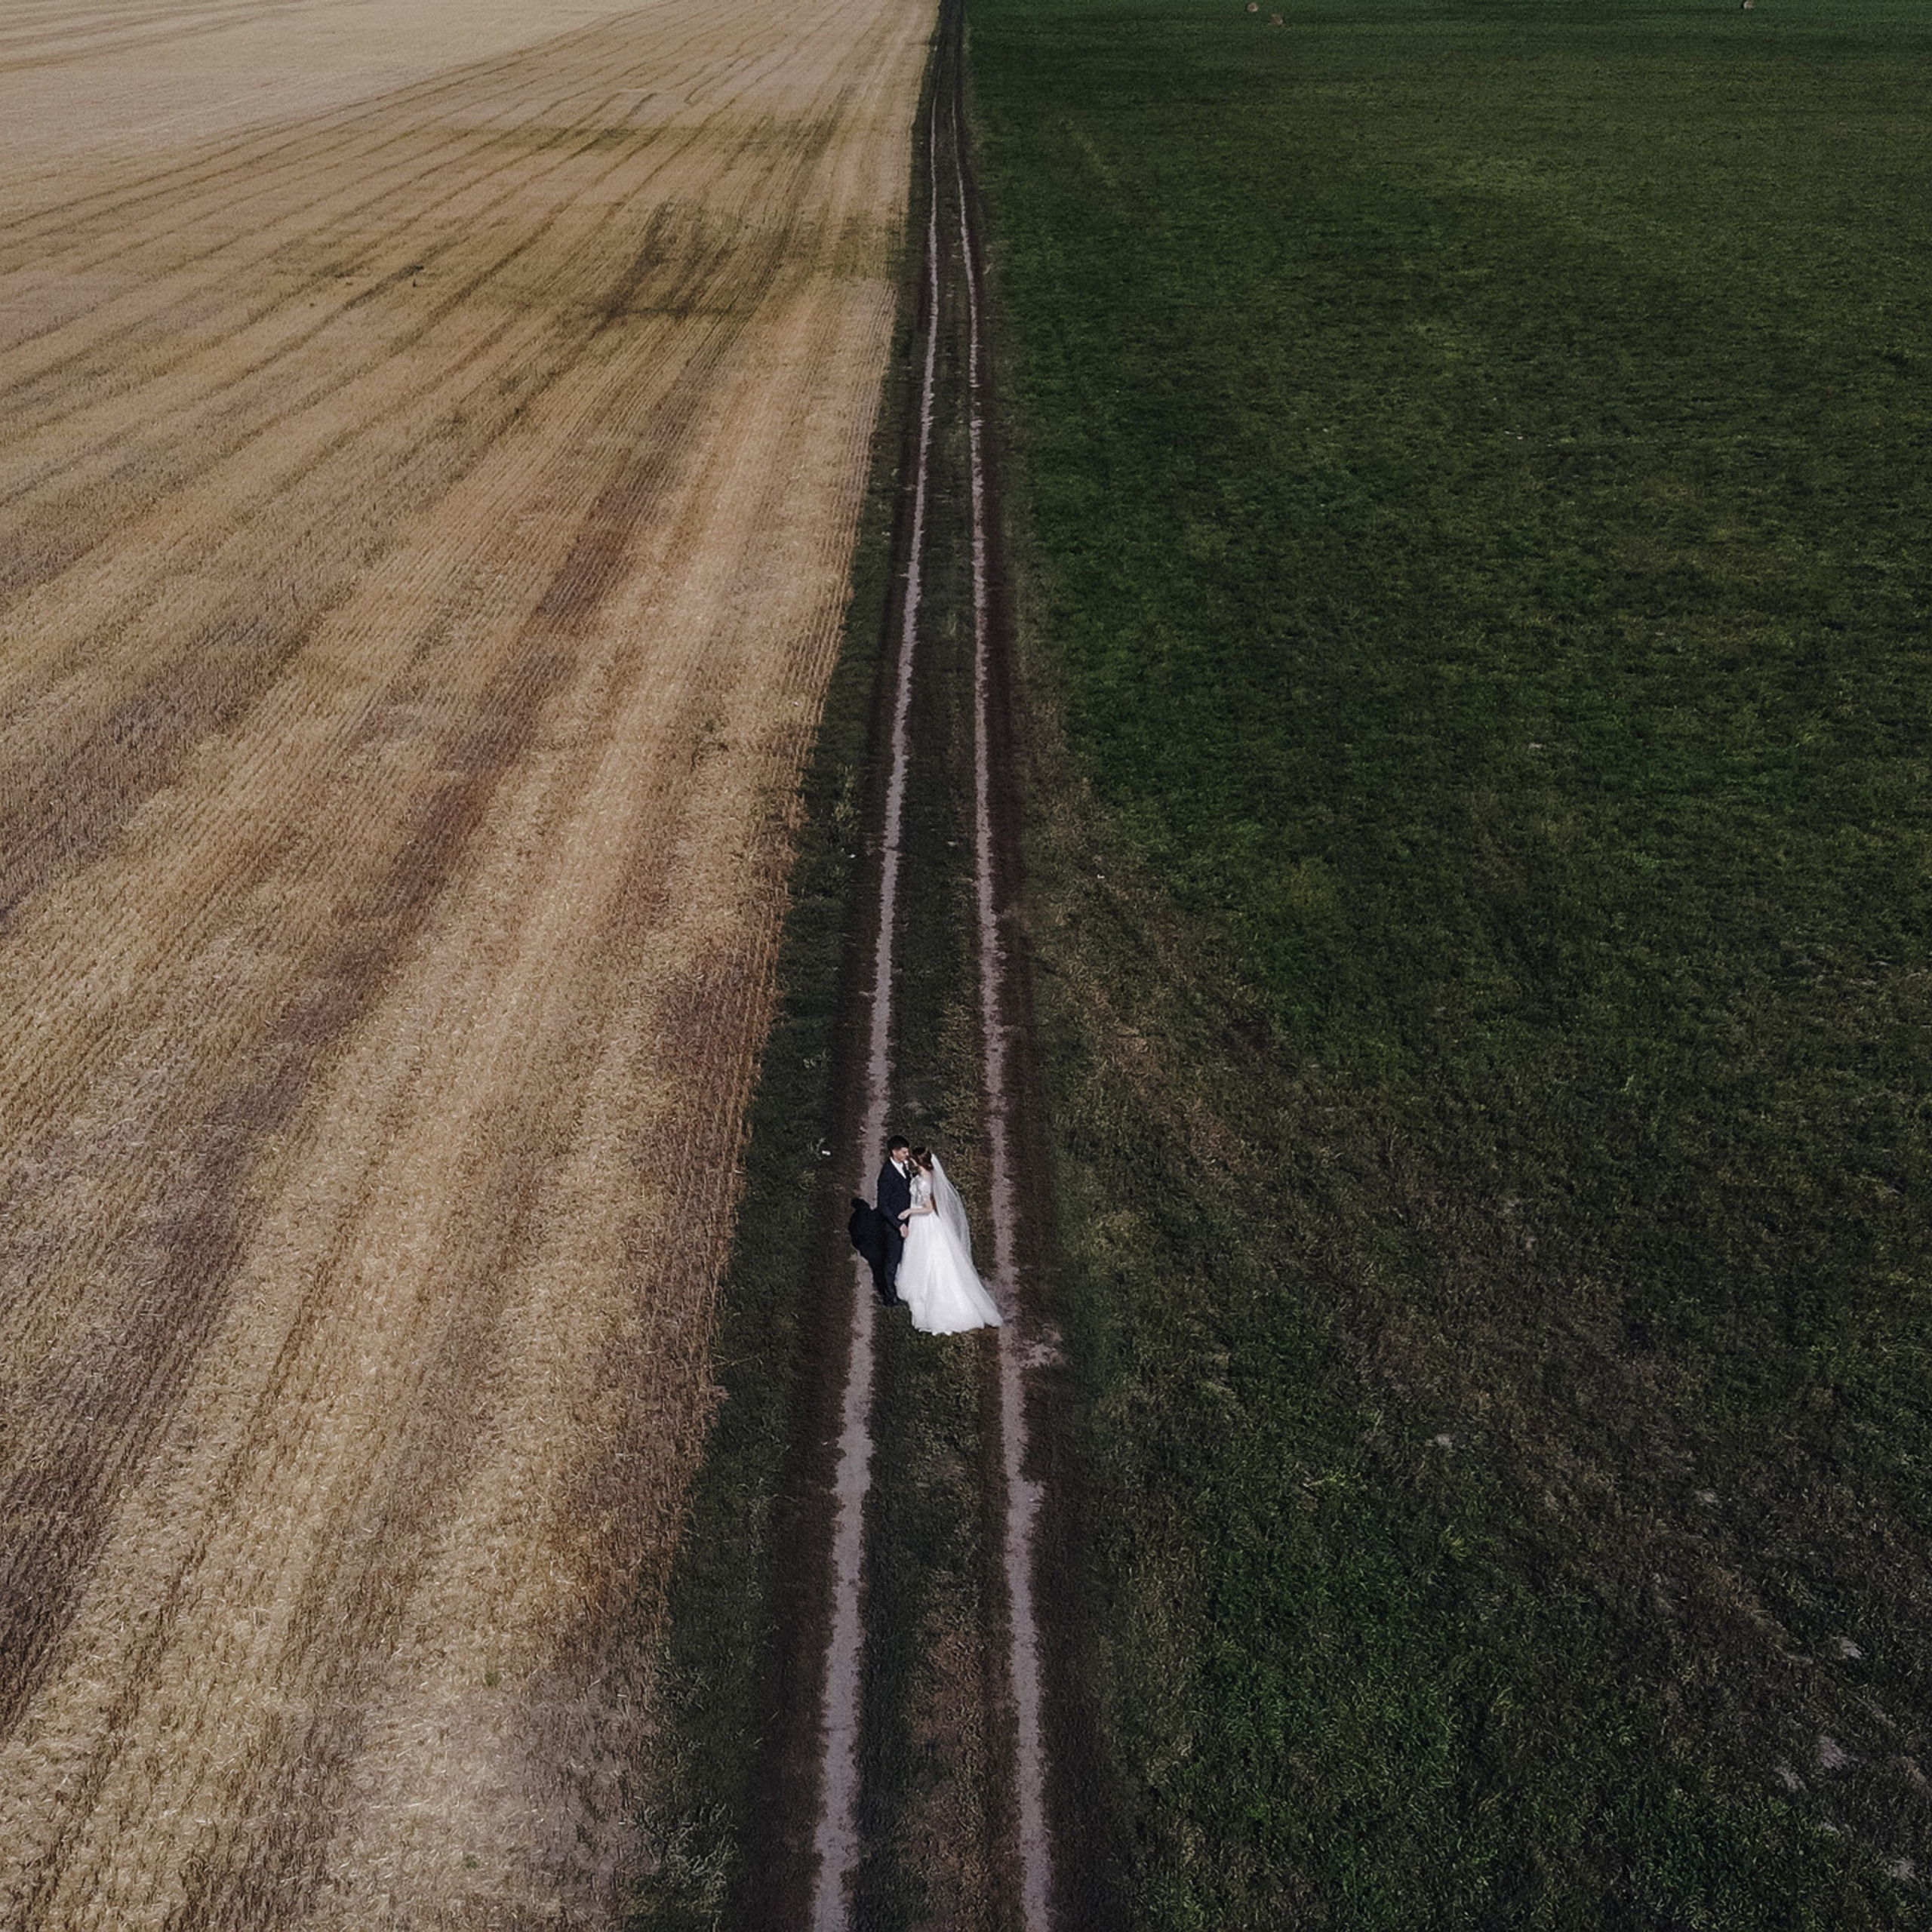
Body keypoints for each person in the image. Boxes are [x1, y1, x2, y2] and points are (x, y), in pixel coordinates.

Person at [896, 1146, 1002, 1335]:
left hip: (924, 1222)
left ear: (918, 1162)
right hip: (924, 1223)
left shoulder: (923, 1182)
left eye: (913, 1160)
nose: (910, 1162)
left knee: (925, 1256)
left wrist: (910, 1211)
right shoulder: (928, 1175)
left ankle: (929, 1294)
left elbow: (928, 1208)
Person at [875, 1135, 912, 1305]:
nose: (908, 1154)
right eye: (904, 1152)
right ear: (894, 1152)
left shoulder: (903, 1166)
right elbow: (883, 1205)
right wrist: (898, 1225)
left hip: (907, 1219)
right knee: (892, 1260)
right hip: (894, 1225)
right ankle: (890, 1296)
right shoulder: (887, 1174)